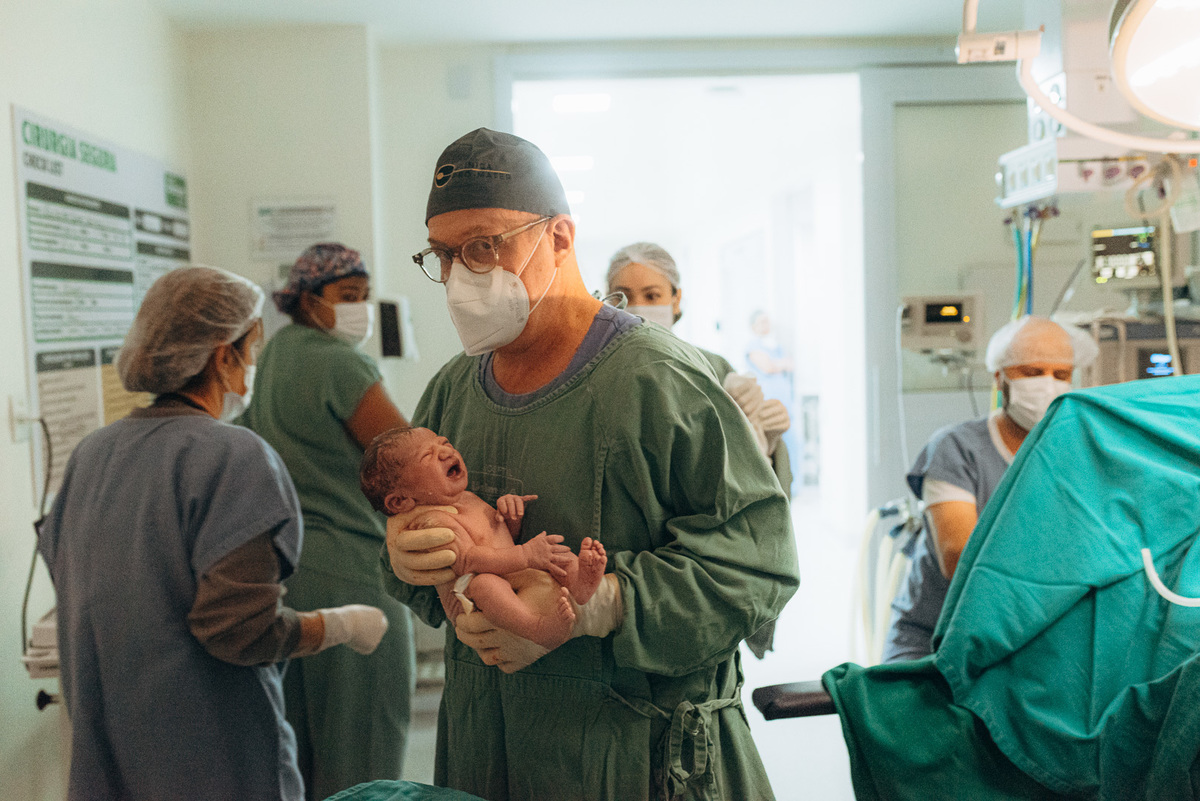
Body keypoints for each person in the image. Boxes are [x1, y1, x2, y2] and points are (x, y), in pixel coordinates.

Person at [384, 128, 799, 801]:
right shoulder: (453, 391)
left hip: (634, 756)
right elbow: (417, 550)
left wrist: (596, 605)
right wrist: (409, 557)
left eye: (484, 246)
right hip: (486, 753)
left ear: (559, 237)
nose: (461, 275)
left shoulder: (660, 381)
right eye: (444, 254)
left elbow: (756, 567)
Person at [36, 266, 389, 801]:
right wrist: (340, 626)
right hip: (211, 759)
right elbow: (240, 631)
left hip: (111, 759)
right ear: (224, 356)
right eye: (250, 350)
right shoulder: (233, 456)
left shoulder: (93, 453)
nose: (251, 365)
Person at [239, 244, 415, 800]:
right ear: (307, 299)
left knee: (301, 762)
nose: (359, 308)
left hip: (290, 576)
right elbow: (408, 463)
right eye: (347, 296)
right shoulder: (340, 363)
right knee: (363, 765)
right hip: (354, 577)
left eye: (365, 296)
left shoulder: (275, 353)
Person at [606, 241, 791, 659]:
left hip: (700, 556)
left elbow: (751, 490)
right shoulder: (595, 373)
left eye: (652, 294)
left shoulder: (713, 368)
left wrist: (769, 442)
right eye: (623, 296)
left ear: (676, 299)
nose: (637, 307)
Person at [882, 315, 1099, 663]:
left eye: (1061, 374)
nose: (1049, 384)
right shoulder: (956, 449)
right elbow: (958, 558)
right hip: (937, 639)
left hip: (1035, 641)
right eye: (1032, 372)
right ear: (1000, 379)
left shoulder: (1077, 453)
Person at [359, 426, 608, 648]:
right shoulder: (432, 522)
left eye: (444, 442)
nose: (446, 452)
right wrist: (525, 554)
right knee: (485, 585)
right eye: (427, 455)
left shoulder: (466, 498)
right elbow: (469, 561)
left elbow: (500, 539)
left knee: (556, 552)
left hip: (511, 569)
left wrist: (508, 517)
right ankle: (537, 628)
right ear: (401, 501)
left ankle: (580, 584)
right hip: (474, 595)